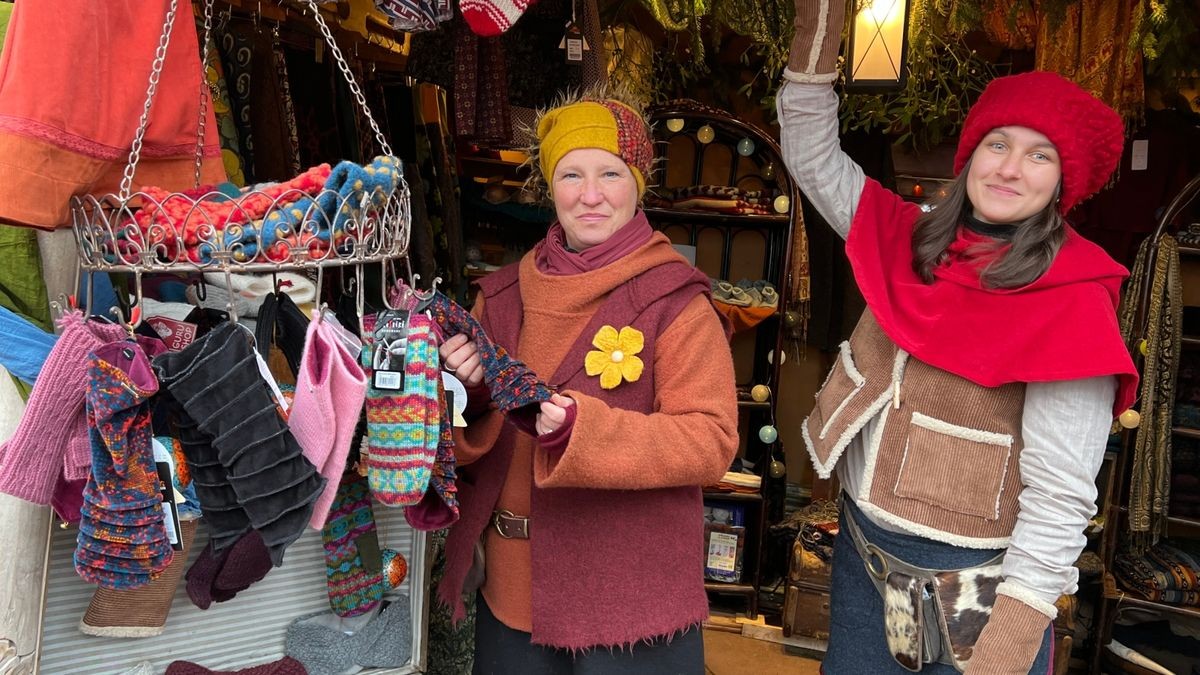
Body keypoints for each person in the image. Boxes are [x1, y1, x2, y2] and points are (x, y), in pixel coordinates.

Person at [779, 2, 1138, 673]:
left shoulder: (1074, 302)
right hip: (862, 555)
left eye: (1040, 155)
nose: (1009, 168)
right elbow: (810, 153)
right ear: (972, 153)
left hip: (976, 594)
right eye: (998, 144)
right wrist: (821, 21)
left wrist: (1006, 649)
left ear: (1064, 180)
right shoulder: (907, 235)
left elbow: (1061, 497)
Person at [435, 92, 739, 673]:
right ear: (551, 186)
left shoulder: (674, 303)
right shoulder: (499, 297)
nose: (590, 194)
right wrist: (469, 393)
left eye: (610, 174)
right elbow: (473, 439)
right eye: (571, 173)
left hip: (627, 604)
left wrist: (583, 430)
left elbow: (711, 440)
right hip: (512, 597)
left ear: (638, 185)